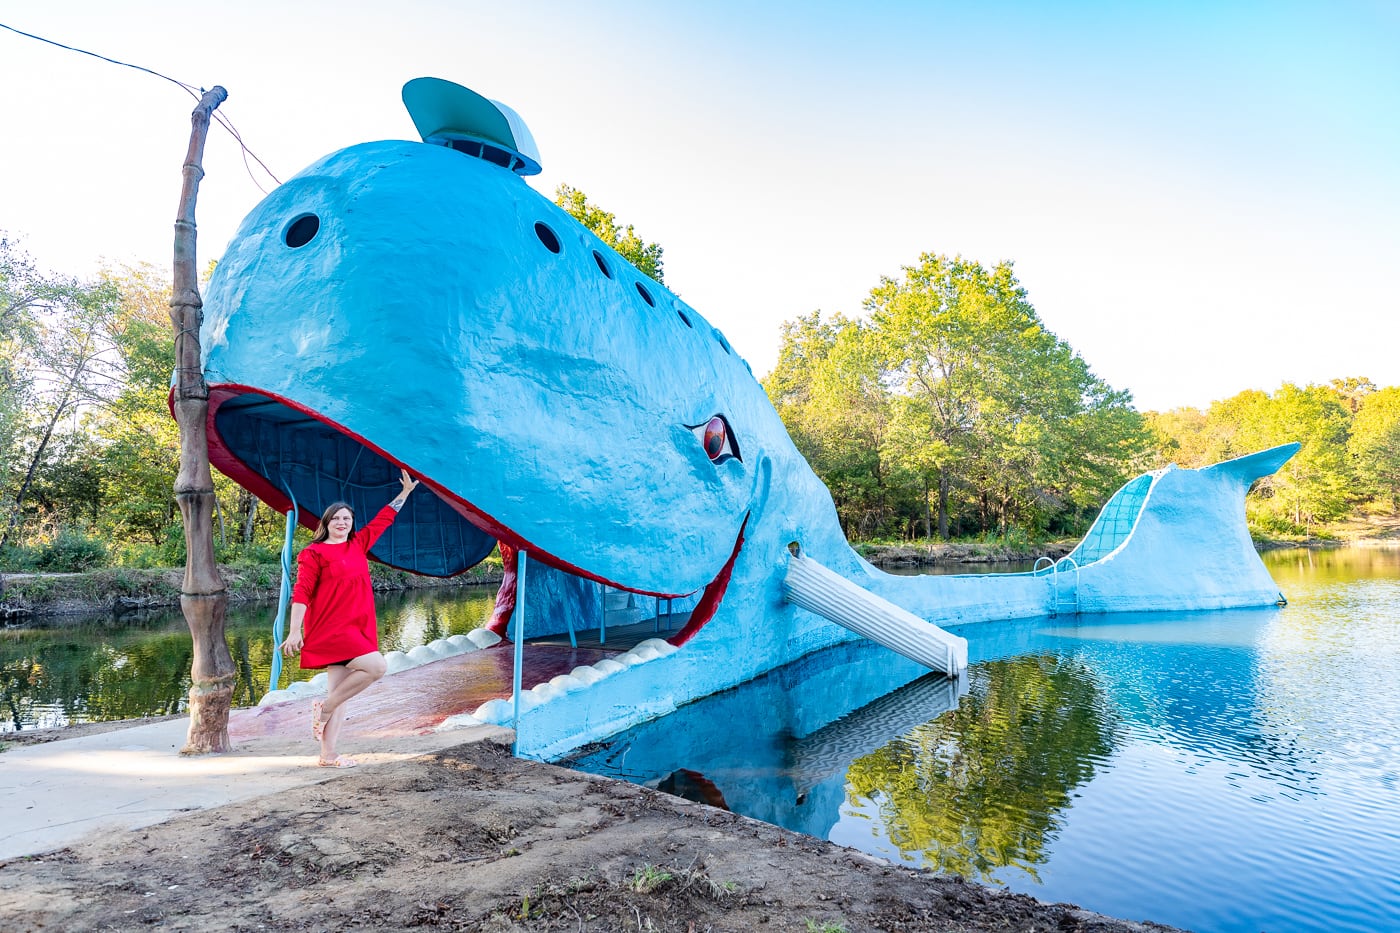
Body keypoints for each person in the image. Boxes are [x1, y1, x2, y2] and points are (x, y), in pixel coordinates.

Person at [281, 468, 419, 767]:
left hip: (358, 626)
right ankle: (324, 707)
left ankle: (327, 755)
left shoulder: (358, 544)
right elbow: (302, 593)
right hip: (330, 628)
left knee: (340, 695)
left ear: (352, 523)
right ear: (326, 523)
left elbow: (384, 518)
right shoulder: (313, 553)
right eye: (336, 518)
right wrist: (294, 632)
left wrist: (405, 493)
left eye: (347, 518)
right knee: (376, 666)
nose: (342, 522)